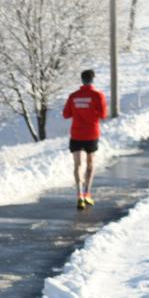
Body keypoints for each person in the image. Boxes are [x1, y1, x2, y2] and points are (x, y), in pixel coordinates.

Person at [63, 69, 108, 210]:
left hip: (76, 134)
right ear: (93, 79)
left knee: (77, 165)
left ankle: (79, 195)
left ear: (81, 80)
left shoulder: (73, 96)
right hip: (91, 134)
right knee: (90, 163)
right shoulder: (97, 95)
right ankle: (87, 193)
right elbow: (103, 114)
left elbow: (66, 114)